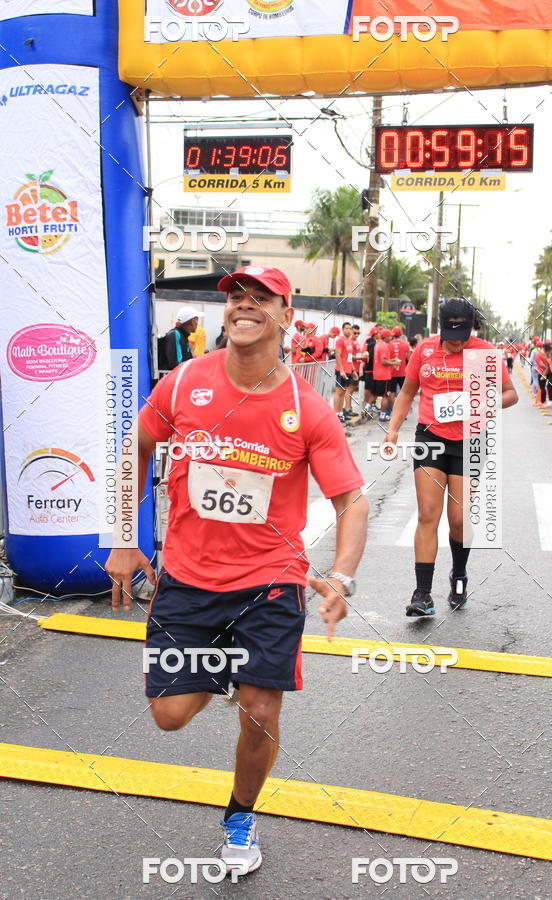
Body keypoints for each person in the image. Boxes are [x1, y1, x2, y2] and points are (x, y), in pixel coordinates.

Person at [105, 265, 368, 877]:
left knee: (261, 709)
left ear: (286, 315)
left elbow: (351, 500)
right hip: (189, 578)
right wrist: (122, 537)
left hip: (270, 581)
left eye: (260, 298)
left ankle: (240, 817)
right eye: (236, 298)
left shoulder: (309, 408)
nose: (244, 306)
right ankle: (228, 670)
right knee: (168, 717)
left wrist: (343, 576)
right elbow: (133, 451)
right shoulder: (183, 383)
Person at [384, 297, 518, 617]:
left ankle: (458, 575)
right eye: (449, 336)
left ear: (472, 329)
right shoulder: (425, 350)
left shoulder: (485, 352)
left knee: (458, 520)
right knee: (428, 514)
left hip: (470, 440)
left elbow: (510, 394)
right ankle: (423, 593)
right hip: (429, 437)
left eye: (461, 337)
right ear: (440, 327)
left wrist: (484, 404)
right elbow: (407, 392)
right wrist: (392, 430)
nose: (455, 343)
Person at [334, 321, 358, 424]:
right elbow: (337, 355)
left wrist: (353, 370)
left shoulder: (349, 342)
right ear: (343, 329)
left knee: (343, 392)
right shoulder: (340, 340)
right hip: (341, 370)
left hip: (348, 370)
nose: (348, 330)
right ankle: (336, 414)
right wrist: (341, 369)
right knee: (339, 392)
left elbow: (349, 358)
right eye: (346, 328)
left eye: (350, 328)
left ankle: (340, 413)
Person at [161, 306, 199, 371]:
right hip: (175, 379)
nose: (197, 323)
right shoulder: (176, 334)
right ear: (192, 321)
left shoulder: (183, 336)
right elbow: (176, 365)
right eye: (196, 320)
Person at [372, 329, 397, 422]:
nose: (391, 337)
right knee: (385, 396)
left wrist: (392, 360)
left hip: (377, 373)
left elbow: (382, 360)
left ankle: (368, 408)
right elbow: (383, 361)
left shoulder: (378, 344)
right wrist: (393, 363)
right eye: (390, 336)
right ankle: (383, 415)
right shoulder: (384, 346)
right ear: (386, 337)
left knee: (377, 394)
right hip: (384, 375)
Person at [389, 326, 410, 399]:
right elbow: (409, 359)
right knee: (404, 392)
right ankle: (403, 409)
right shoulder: (405, 344)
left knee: (391, 392)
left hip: (391, 372)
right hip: (402, 372)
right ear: (401, 334)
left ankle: (393, 409)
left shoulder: (389, 344)